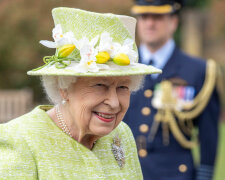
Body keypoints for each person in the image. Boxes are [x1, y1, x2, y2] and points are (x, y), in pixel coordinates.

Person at [0, 7, 161, 179]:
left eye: (123, 87)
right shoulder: (20, 139)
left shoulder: (122, 134)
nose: (114, 102)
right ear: (63, 87)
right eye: (100, 85)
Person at [124, 0, 220, 180]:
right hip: (127, 172)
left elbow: (208, 135)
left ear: (173, 22)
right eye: (144, 16)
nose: (150, 23)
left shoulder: (198, 71)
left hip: (176, 174)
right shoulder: (124, 68)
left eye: (158, 17)